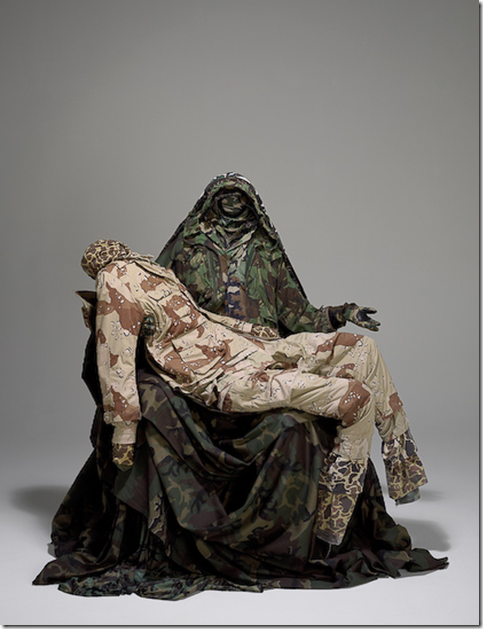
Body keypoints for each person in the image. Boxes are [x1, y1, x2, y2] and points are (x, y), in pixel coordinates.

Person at [81, 238, 426, 546]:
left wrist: (261, 333)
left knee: (363, 349)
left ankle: (403, 471)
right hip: (224, 379)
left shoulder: (153, 270)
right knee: (357, 399)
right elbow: (116, 356)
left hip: (249, 349)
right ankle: (333, 521)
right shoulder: (114, 280)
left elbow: (205, 318)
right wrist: (124, 430)